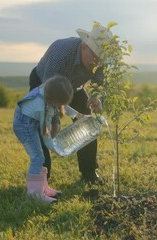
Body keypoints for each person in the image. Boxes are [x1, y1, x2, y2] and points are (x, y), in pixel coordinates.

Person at [28, 23, 112, 185]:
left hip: (74, 86)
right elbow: (50, 94)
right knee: (42, 126)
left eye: (101, 59)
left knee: (88, 122)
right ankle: (42, 177)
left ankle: (89, 173)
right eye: (95, 56)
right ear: (85, 46)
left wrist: (97, 98)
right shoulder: (60, 52)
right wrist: (66, 114)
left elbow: (100, 83)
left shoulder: (99, 61)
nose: (97, 63)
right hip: (44, 85)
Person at [13, 75, 77, 203]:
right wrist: (57, 149)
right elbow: (46, 136)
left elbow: (62, 104)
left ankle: (43, 188)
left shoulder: (49, 90)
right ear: (53, 100)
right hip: (24, 125)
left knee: (39, 156)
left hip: (28, 120)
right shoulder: (41, 107)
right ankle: (34, 194)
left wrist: (76, 114)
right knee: (38, 157)